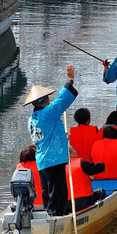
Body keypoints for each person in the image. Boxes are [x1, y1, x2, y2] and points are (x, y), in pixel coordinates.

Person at [24, 63, 78, 216]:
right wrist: (70, 80)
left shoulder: (31, 119)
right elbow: (62, 99)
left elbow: (47, 134)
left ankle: (49, 214)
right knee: (58, 192)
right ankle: (56, 217)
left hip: (42, 160)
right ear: (45, 100)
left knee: (48, 191)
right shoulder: (48, 112)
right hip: (53, 158)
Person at [66, 146, 107, 211]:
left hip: (66, 205)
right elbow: (95, 168)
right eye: (74, 150)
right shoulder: (80, 163)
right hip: (85, 202)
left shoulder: (57, 168)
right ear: (70, 153)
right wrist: (103, 165)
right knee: (101, 191)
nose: (76, 152)